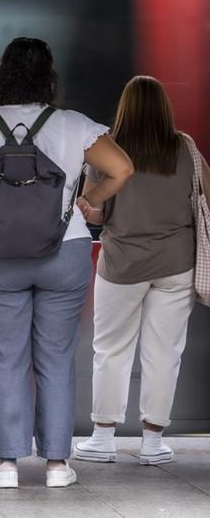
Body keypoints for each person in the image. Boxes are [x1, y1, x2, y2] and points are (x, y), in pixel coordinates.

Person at [0, 37, 134, 489]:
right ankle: (56, 465)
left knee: (8, 361)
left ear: (1, 76)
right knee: (55, 359)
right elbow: (123, 168)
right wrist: (86, 201)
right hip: (64, 253)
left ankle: (7, 465)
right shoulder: (73, 125)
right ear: (49, 76)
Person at [75, 77, 207, 466]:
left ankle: (103, 438)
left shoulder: (108, 151)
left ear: (124, 108)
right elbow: (206, 200)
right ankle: (153, 442)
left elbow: (95, 213)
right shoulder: (185, 148)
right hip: (175, 264)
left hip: (122, 264)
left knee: (111, 350)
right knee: (164, 353)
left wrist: (90, 205)